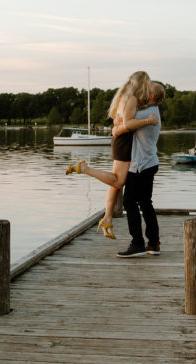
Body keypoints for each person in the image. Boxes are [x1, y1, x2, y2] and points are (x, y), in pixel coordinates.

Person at [65, 70, 158, 238]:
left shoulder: (124, 96)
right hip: (123, 141)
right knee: (118, 181)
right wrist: (147, 121)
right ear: (141, 84)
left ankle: (107, 218)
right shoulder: (132, 99)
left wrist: (117, 127)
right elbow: (128, 124)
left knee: (115, 184)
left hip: (121, 141)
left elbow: (121, 120)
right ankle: (84, 168)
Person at [115, 82, 165, 258]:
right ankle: (154, 243)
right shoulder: (150, 112)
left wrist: (118, 123)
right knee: (145, 202)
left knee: (129, 201)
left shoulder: (146, 113)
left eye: (146, 90)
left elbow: (125, 120)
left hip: (141, 165)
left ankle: (137, 244)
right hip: (148, 163)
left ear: (151, 96)